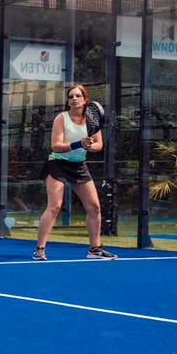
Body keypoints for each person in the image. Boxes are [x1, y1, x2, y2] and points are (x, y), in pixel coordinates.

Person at [35, 84, 115, 260]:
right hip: (58, 163)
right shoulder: (61, 118)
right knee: (54, 206)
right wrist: (79, 143)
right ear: (68, 101)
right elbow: (56, 145)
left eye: (78, 96)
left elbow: (99, 145)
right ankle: (39, 249)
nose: (74, 99)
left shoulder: (92, 120)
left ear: (85, 99)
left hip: (79, 165)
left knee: (94, 207)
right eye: (70, 96)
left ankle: (94, 249)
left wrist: (90, 146)